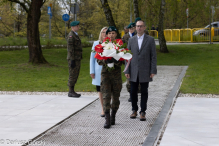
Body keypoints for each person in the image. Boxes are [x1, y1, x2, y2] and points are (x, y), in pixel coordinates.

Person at [125, 20, 157, 121]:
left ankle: (143, 111)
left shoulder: (150, 40)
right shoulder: (131, 40)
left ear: (144, 27)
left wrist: (153, 70)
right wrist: (127, 70)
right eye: (137, 26)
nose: (139, 28)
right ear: (135, 28)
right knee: (133, 91)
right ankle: (134, 110)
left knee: (144, 91)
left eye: (141, 26)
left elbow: (153, 56)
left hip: (145, 70)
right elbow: (127, 56)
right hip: (133, 70)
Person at [97, 26, 123, 129]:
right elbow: (98, 60)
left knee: (116, 97)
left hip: (116, 75)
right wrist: (105, 61)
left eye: (113, 33)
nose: (111, 35)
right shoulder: (102, 45)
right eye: (109, 33)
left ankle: (113, 116)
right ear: (106, 35)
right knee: (106, 96)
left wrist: (116, 61)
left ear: (116, 34)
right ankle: (107, 119)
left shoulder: (119, 45)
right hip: (106, 74)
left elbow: (123, 59)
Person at [90, 27, 108, 117]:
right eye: (103, 32)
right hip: (98, 71)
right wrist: (92, 71)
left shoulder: (112, 43)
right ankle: (103, 108)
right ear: (101, 33)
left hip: (108, 70)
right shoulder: (96, 43)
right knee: (100, 89)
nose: (104, 34)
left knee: (108, 90)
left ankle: (108, 106)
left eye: (106, 32)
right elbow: (92, 58)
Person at [122, 22, 140, 102]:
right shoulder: (125, 36)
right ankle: (131, 94)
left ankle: (136, 93)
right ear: (128, 29)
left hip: (136, 59)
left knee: (137, 78)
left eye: (133, 28)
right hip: (128, 58)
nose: (132, 30)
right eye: (130, 29)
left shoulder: (138, 36)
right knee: (129, 78)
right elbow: (122, 46)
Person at [67, 21, 82, 98]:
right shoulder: (71, 36)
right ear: (73, 27)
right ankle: (70, 91)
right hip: (73, 59)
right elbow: (70, 49)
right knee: (72, 74)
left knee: (75, 74)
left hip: (77, 58)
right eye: (77, 26)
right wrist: (72, 59)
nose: (78, 27)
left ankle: (72, 90)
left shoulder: (75, 34)